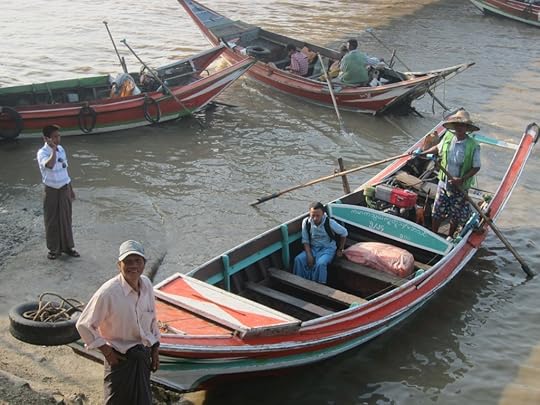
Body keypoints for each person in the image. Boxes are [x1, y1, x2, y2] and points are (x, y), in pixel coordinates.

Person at [76, 240, 160, 405]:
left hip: (142, 357)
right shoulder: (108, 293)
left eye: (138, 261)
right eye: (128, 262)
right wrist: (107, 351)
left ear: (144, 264)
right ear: (119, 265)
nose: (133, 266)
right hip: (119, 359)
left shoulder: (147, 285)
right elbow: (84, 324)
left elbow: (152, 320)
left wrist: (155, 349)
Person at [420, 110, 481, 237]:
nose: (459, 128)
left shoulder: (473, 145)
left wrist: (462, 179)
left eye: (462, 125)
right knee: (437, 211)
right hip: (444, 183)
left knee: (456, 214)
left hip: (460, 186)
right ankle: (433, 234)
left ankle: (450, 236)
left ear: (466, 128)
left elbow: (476, 167)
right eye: (457, 125)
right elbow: (437, 148)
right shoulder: (448, 137)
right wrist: (422, 152)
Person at [36, 124, 79, 260]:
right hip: (51, 190)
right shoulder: (42, 152)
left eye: (58, 136)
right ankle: (54, 249)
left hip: (64, 187)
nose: (58, 139)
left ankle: (68, 247)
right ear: (46, 138)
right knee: (51, 219)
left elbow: (65, 169)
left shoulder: (61, 149)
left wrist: (70, 188)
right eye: (55, 137)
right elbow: (49, 165)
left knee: (66, 218)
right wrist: (53, 150)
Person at [293, 202, 348, 284]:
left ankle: (319, 285)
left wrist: (340, 249)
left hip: (328, 249)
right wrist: (309, 254)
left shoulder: (329, 222)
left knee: (320, 264)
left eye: (318, 216)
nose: (315, 218)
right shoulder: (306, 222)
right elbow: (305, 240)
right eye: (313, 215)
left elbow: (344, 233)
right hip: (313, 248)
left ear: (323, 214)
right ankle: (299, 283)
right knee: (298, 259)